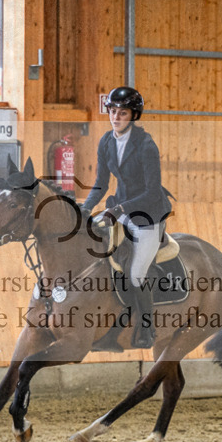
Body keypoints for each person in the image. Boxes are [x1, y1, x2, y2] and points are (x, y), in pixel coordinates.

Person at [79, 86, 172, 348]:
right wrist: (85, 209)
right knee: (103, 261)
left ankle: (147, 329)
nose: (116, 117)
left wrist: (119, 210)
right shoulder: (106, 141)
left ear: (133, 115)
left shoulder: (146, 145)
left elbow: (152, 191)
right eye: (112, 111)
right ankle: (111, 328)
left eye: (122, 112)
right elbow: (100, 183)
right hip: (120, 210)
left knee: (135, 274)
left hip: (148, 216)